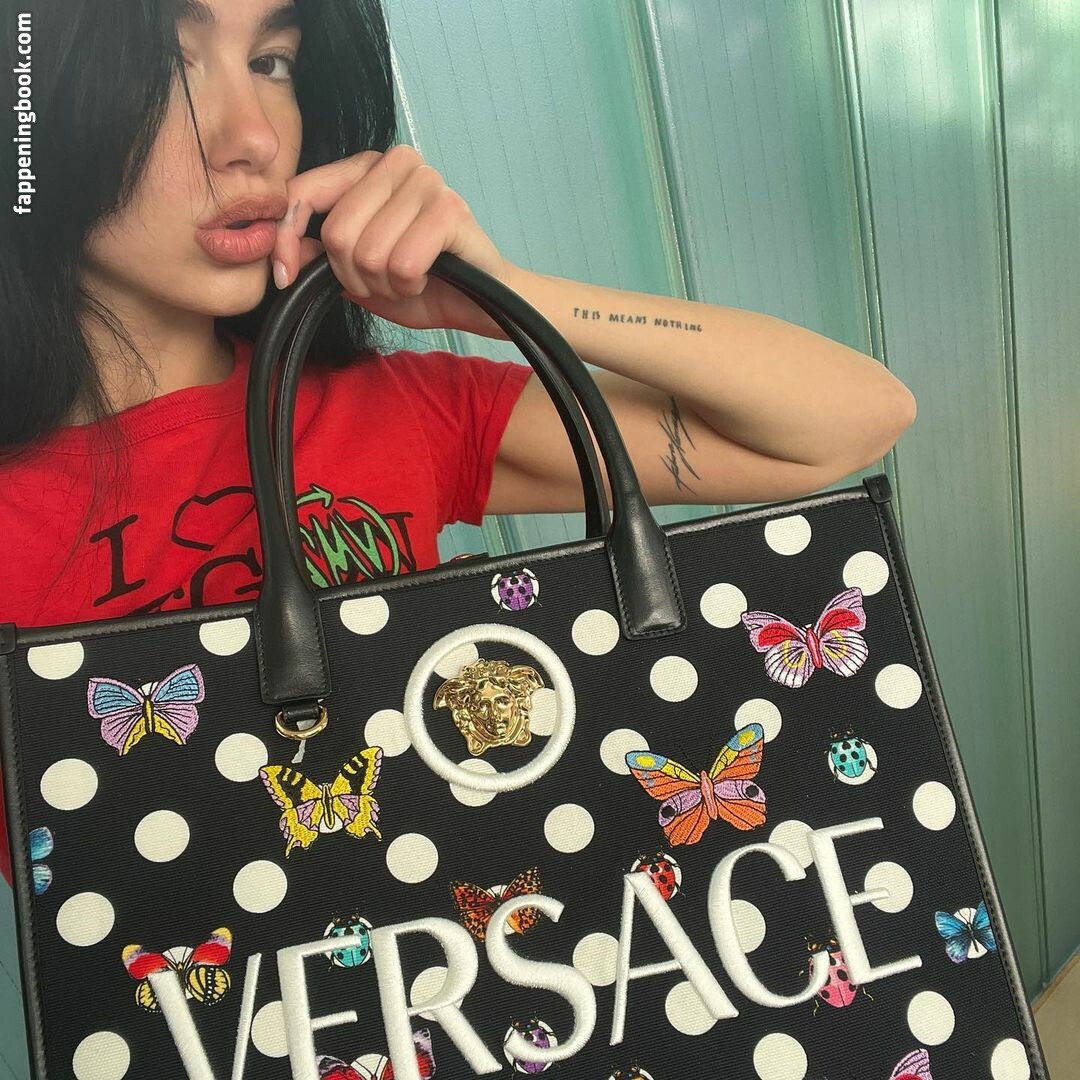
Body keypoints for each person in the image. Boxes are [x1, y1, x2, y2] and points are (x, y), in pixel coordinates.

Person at [0, 0, 916, 887]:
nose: (255, 137)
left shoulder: (390, 410)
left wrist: (509, 296)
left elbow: (854, 419)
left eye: (272, 61)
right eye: (168, 63)